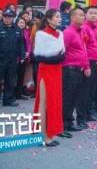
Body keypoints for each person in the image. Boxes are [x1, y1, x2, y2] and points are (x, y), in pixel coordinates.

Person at [33, 9, 65, 146]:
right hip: (46, 71)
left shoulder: (60, 34)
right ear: (49, 19)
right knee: (44, 102)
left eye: (59, 16)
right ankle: (44, 135)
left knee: (54, 101)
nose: (59, 19)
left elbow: (63, 54)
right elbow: (39, 56)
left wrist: (57, 57)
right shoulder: (41, 34)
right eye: (57, 17)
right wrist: (56, 57)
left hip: (56, 70)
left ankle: (51, 131)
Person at [0, 9, 26, 111]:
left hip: (12, 60)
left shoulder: (17, 30)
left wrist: (22, 55)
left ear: (13, 18)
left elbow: (21, 44)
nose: (7, 18)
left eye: (9, 17)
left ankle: (8, 100)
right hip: (0, 60)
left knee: (10, 81)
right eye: (5, 16)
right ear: (3, 17)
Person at [62, 7, 90, 132]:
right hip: (69, 69)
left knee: (74, 97)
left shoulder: (81, 32)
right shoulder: (68, 32)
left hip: (79, 69)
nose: (83, 17)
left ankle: (69, 121)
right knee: (67, 97)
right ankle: (63, 123)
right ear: (72, 17)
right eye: (80, 15)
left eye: (83, 15)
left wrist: (86, 66)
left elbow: (83, 50)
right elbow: (62, 51)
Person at [76, 6, 97, 127]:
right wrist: (86, 66)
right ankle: (81, 117)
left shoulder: (95, 28)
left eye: (95, 13)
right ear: (86, 15)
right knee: (84, 91)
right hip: (87, 62)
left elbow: (96, 46)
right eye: (91, 13)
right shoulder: (84, 28)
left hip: (94, 61)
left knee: (91, 90)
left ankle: (88, 113)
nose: (93, 15)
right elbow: (83, 48)